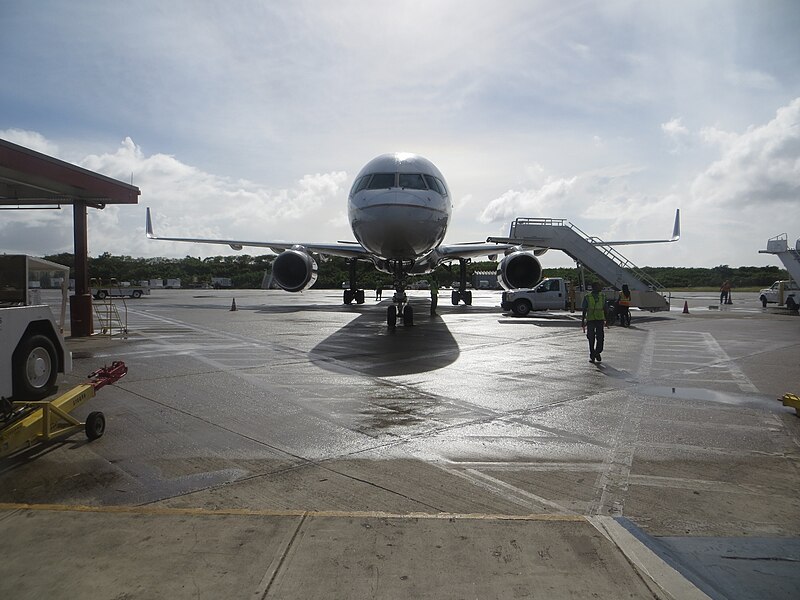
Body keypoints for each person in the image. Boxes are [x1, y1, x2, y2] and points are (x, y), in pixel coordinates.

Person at [581, 281, 609, 363]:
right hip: (591, 320)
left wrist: (607, 319)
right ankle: (592, 354)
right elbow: (584, 309)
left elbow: (605, 308)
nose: (601, 287)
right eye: (599, 286)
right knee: (591, 337)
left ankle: (597, 352)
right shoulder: (587, 297)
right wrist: (582, 321)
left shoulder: (603, 296)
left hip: (600, 319)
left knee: (600, 338)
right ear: (594, 287)